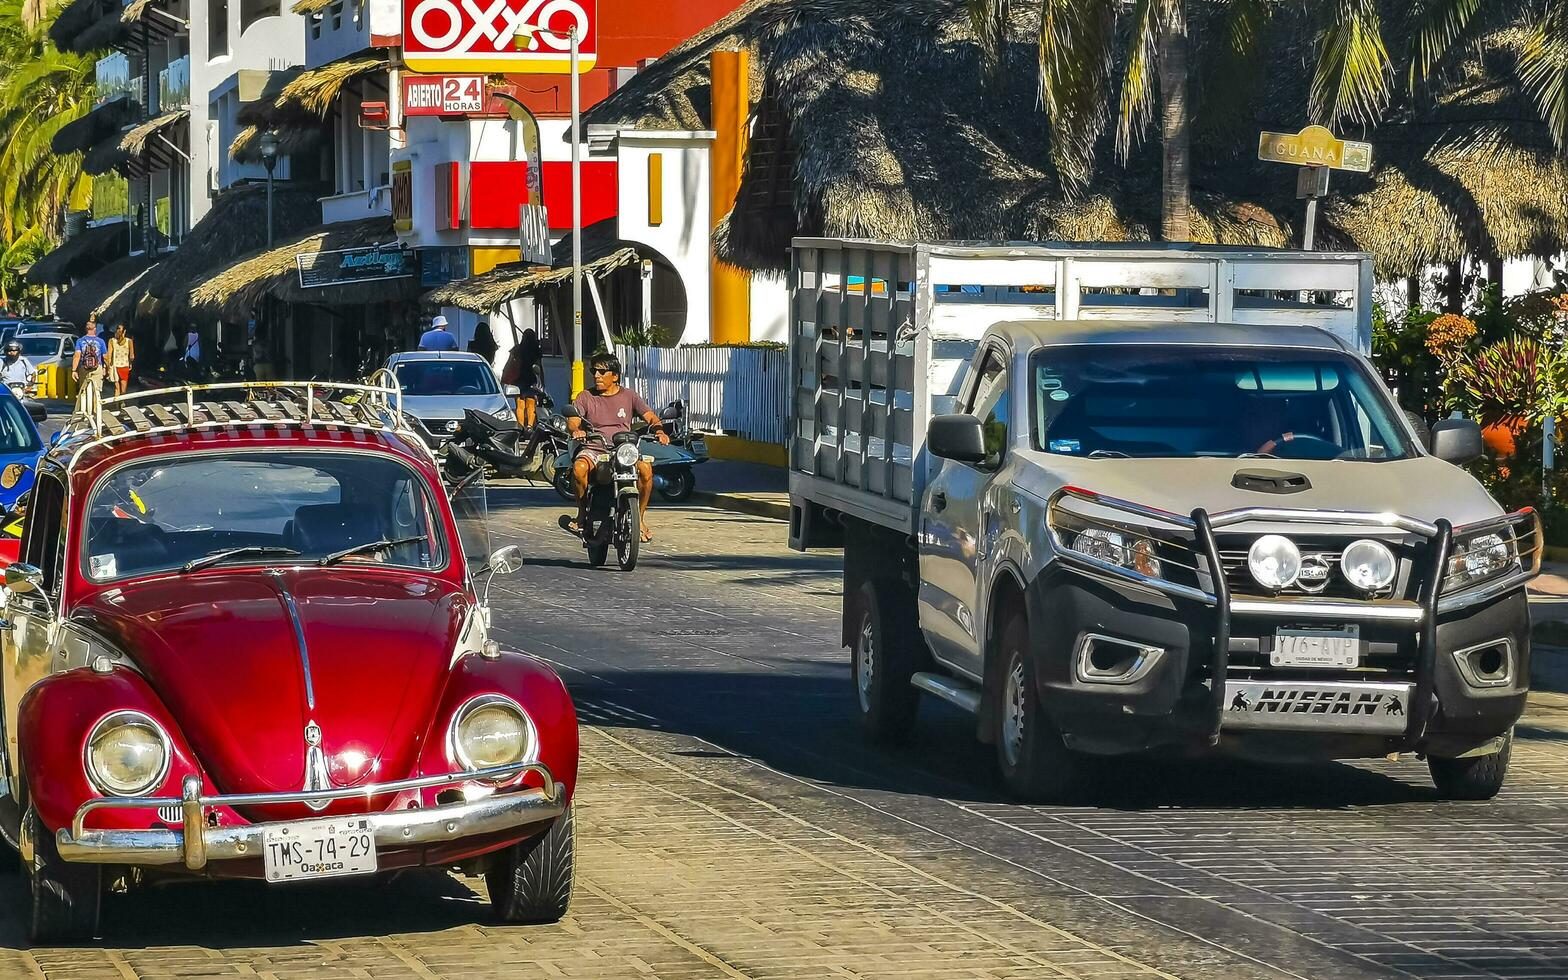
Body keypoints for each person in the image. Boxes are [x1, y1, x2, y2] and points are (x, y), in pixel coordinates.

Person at [563, 352, 668, 544]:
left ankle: (640, 519)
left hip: (624, 451)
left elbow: (650, 417)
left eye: (602, 372)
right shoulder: (585, 397)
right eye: (594, 371)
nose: (597, 375)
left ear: (615, 375)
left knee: (646, 470)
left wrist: (660, 431)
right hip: (594, 449)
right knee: (579, 469)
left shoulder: (629, 396)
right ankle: (581, 516)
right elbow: (573, 420)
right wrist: (576, 430)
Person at [501, 328, 543, 428]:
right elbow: (539, 367)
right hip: (531, 379)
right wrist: (542, 380)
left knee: (520, 405)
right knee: (531, 403)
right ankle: (529, 426)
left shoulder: (517, 349)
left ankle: (520, 427)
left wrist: (505, 375)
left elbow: (509, 363)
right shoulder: (536, 350)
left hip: (518, 378)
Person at [72, 319, 108, 411]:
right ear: (95, 329)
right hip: (97, 367)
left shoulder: (80, 341)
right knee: (96, 390)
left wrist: (74, 370)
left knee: (84, 390)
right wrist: (106, 367)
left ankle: (84, 410)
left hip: (84, 368)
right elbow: (105, 356)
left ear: (86, 329)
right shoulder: (100, 341)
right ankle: (96, 411)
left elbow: (77, 356)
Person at [108, 323, 135, 396]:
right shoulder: (129, 341)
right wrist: (130, 362)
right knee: (123, 389)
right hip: (125, 366)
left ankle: (117, 404)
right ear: (125, 331)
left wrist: (108, 367)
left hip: (114, 366)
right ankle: (122, 402)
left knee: (117, 388)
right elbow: (132, 356)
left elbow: (109, 356)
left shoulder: (111, 341)